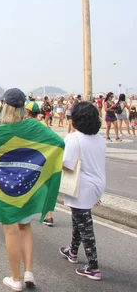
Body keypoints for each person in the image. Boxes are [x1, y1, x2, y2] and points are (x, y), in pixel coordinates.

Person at [59, 102, 106, 281]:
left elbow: (67, 165)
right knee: (78, 219)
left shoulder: (74, 138)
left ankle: (93, 267)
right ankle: (72, 251)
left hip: (80, 186)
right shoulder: (99, 138)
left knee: (85, 226)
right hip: (96, 185)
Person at [0, 88, 37, 291]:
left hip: (3, 184)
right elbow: (57, 143)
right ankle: (28, 271)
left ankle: (15, 279)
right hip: (27, 182)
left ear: (5, 105)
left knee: (10, 230)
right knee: (25, 226)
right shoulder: (33, 126)